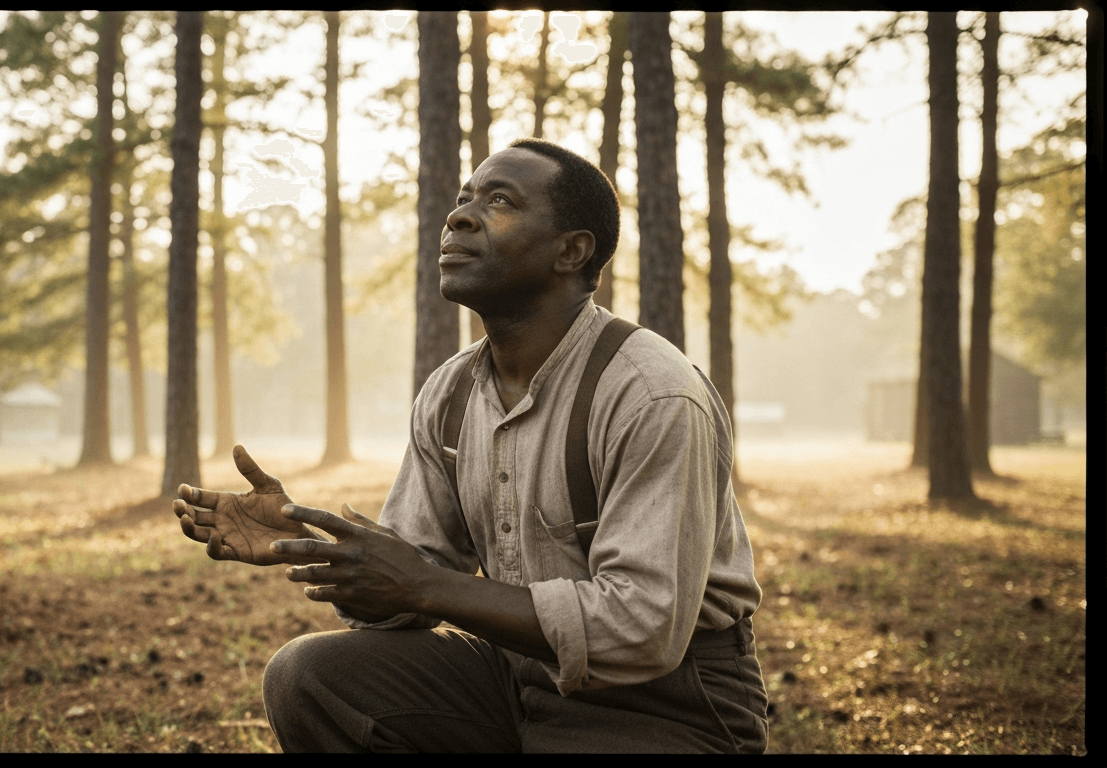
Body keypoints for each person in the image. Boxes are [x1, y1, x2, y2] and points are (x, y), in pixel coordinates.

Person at [173, 138, 768, 753]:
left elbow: (642, 629)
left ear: (572, 251)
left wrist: (424, 586)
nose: (459, 216)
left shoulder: (650, 393)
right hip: (513, 683)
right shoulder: (451, 393)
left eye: (500, 201)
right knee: (310, 678)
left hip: (670, 708)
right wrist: (313, 543)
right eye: (463, 199)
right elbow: (408, 588)